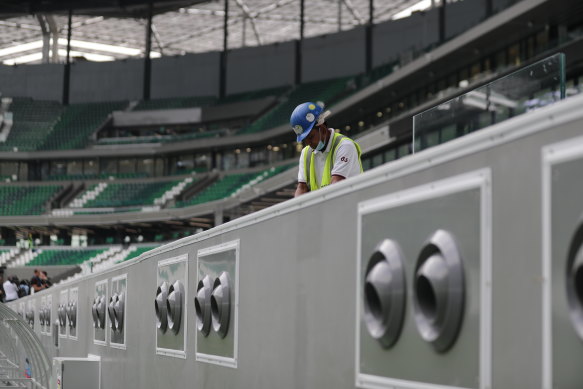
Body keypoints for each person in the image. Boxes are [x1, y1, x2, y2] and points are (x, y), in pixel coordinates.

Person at [290, 101, 363, 197]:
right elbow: (302, 188)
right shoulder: (306, 153)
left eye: (310, 137)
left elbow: (336, 183)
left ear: (322, 129)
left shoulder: (344, 146)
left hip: (353, 206)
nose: (308, 143)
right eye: (304, 140)